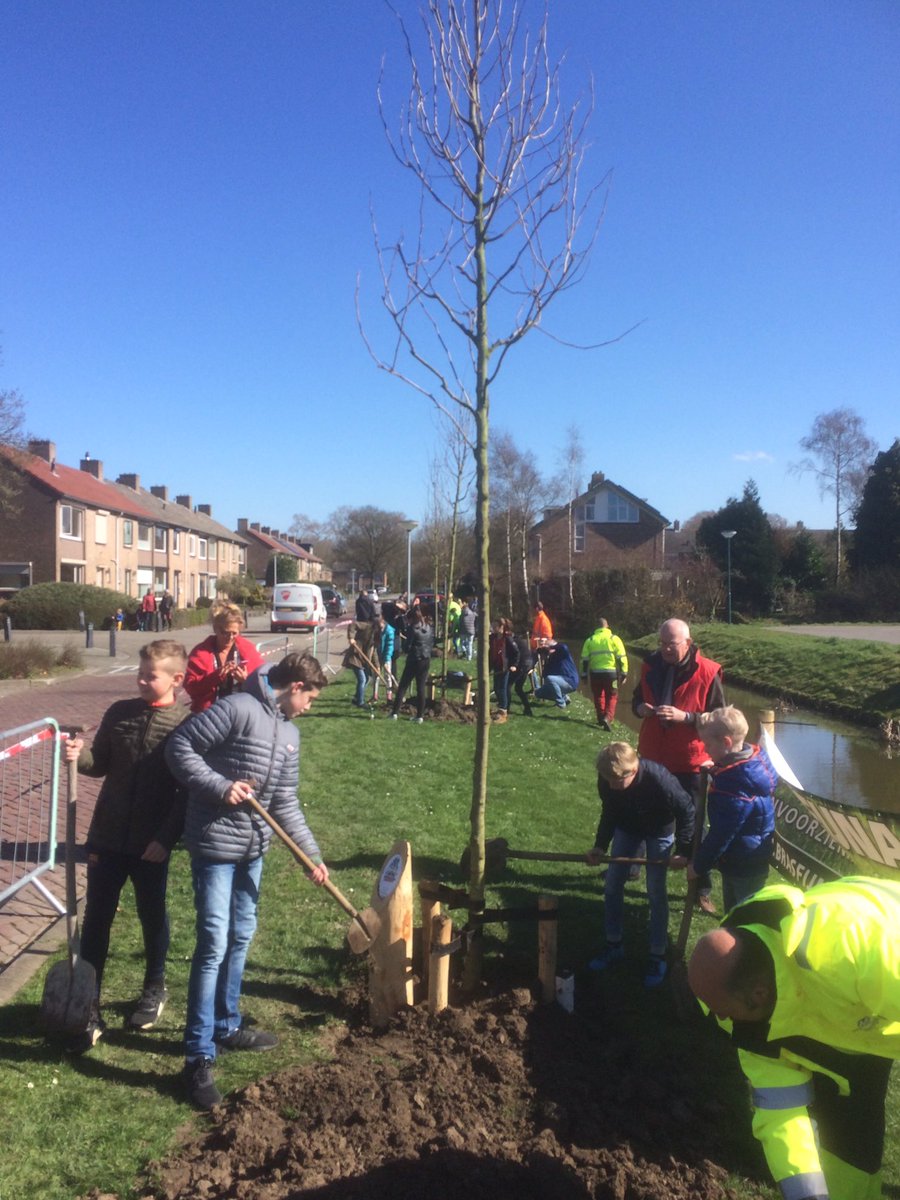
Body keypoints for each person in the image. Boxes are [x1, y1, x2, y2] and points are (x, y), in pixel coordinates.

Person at [165, 651, 330, 1111]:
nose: (310, 708)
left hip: (253, 850)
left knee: (241, 936)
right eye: (310, 699)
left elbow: (285, 802)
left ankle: (227, 1023)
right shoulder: (237, 708)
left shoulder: (290, 734)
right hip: (215, 844)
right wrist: (222, 786)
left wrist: (311, 856)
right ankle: (198, 1055)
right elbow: (178, 748)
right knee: (213, 942)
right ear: (295, 686)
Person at [688, 877, 900, 1200]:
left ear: (758, 994)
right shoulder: (745, 1024)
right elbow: (781, 1115)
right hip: (852, 1034)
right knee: (847, 1150)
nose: (720, 1020)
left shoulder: (844, 947)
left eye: (722, 1011)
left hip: (887, 960)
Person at [63, 639, 190, 1051]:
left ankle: (154, 986)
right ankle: (88, 998)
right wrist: (78, 756)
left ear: (177, 679)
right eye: (139, 672)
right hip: (107, 835)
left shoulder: (187, 724)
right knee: (97, 917)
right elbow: (99, 764)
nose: (140, 680)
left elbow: (186, 792)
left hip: (150, 843)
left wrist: (165, 839)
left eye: (150, 675)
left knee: (152, 915)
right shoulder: (120, 713)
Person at [632, 617, 724, 915]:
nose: (665, 650)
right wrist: (641, 709)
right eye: (661, 644)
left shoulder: (708, 672)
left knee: (694, 825)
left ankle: (701, 889)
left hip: (689, 762)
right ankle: (631, 868)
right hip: (651, 757)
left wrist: (686, 718)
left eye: (671, 644)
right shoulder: (650, 665)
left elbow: (720, 718)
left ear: (687, 642)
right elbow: (634, 700)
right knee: (643, 813)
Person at [587, 742, 694, 987]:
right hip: (627, 828)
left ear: (632, 770)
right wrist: (600, 846)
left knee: (656, 890)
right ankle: (614, 945)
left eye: (617, 781)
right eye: (608, 781)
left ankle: (657, 955)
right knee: (613, 884)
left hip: (659, 831)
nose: (612, 786)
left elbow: (687, 811)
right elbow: (609, 812)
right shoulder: (608, 779)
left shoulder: (659, 780)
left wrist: (684, 851)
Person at [689, 706, 777, 911]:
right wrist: (716, 768)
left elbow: (721, 833)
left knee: (742, 916)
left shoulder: (735, 787)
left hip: (744, 862)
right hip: (746, 856)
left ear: (727, 742)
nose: (705, 749)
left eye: (708, 744)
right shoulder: (754, 759)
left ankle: (738, 941)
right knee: (734, 913)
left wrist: (699, 866)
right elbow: (734, 764)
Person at [184, 601, 264, 714]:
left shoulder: (248, 649)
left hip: (242, 714)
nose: (230, 638)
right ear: (215, 629)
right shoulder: (200, 653)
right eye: (225, 633)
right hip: (208, 715)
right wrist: (215, 677)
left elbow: (264, 687)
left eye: (234, 633)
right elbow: (191, 689)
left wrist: (246, 681)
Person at [580, 617, 629, 730]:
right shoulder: (614, 639)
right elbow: (622, 657)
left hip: (595, 674)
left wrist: (583, 675)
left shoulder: (590, 640)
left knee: (598, 696)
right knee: (612, 696)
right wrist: (624, 673)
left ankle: (601, 718)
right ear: (607, 626)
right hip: (611, 675)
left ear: (596, 628)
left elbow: (584, 660)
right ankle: (608, 718)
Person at [389, 607, 434, 723]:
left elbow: (407, 647)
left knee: (403, 686)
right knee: (421, 688)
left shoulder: (412, 629)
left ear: (412, 618)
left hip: (414, 659)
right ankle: (420, 716)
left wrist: (405, 645)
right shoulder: (428, 627)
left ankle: (394, 712)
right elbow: (430, 642)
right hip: (425, 659)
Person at [342, 617, 379, 708]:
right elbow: (352, 625)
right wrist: (351, 637)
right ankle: (360, 702)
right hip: (355, 656)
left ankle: (356, 698)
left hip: (362, 659)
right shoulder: (367, 626)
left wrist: (377, 666)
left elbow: (374, 652)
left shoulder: (376, 636)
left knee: (367, 678)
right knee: (362, 679)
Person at [488, 617, 518, 724]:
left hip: (505, 667)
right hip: (496, 666)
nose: (493, 628)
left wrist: (514, 665)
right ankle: (501, 707)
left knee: (502, 688)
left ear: (501, 627)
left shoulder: (508, 639)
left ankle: (504, 711)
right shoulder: (493, 638)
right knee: (496, 688)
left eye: (495, 626)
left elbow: (516, 653)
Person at [534, 640, 579, 708]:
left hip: (570, 681)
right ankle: (564, 698)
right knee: (538, 693)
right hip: (560, 682)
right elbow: (544, 676)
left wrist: (550, 646)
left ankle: (561, 703)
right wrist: (544, 656)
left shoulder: (562, 653)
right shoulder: (549, 661)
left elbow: (564, 647)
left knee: (550, 679)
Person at [372, 613, 396, 703]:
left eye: (379, 626)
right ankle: (375, 695)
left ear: (383, 622)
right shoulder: (376, 630)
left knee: (388, 676)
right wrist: (376, 660)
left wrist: (386, 660)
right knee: (376, 675)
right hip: (377, 656)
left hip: (386, 656)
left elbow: (389, 646)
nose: (379, 628)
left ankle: (389, 696)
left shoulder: (389, 631)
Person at [511, 629, 535, 717]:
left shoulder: (513, 642)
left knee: (508, 685)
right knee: (518, 688)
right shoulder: (521, 642)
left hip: (523, 665)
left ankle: (506, 708)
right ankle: (528, 709)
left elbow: (515, 655)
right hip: (528, 664)